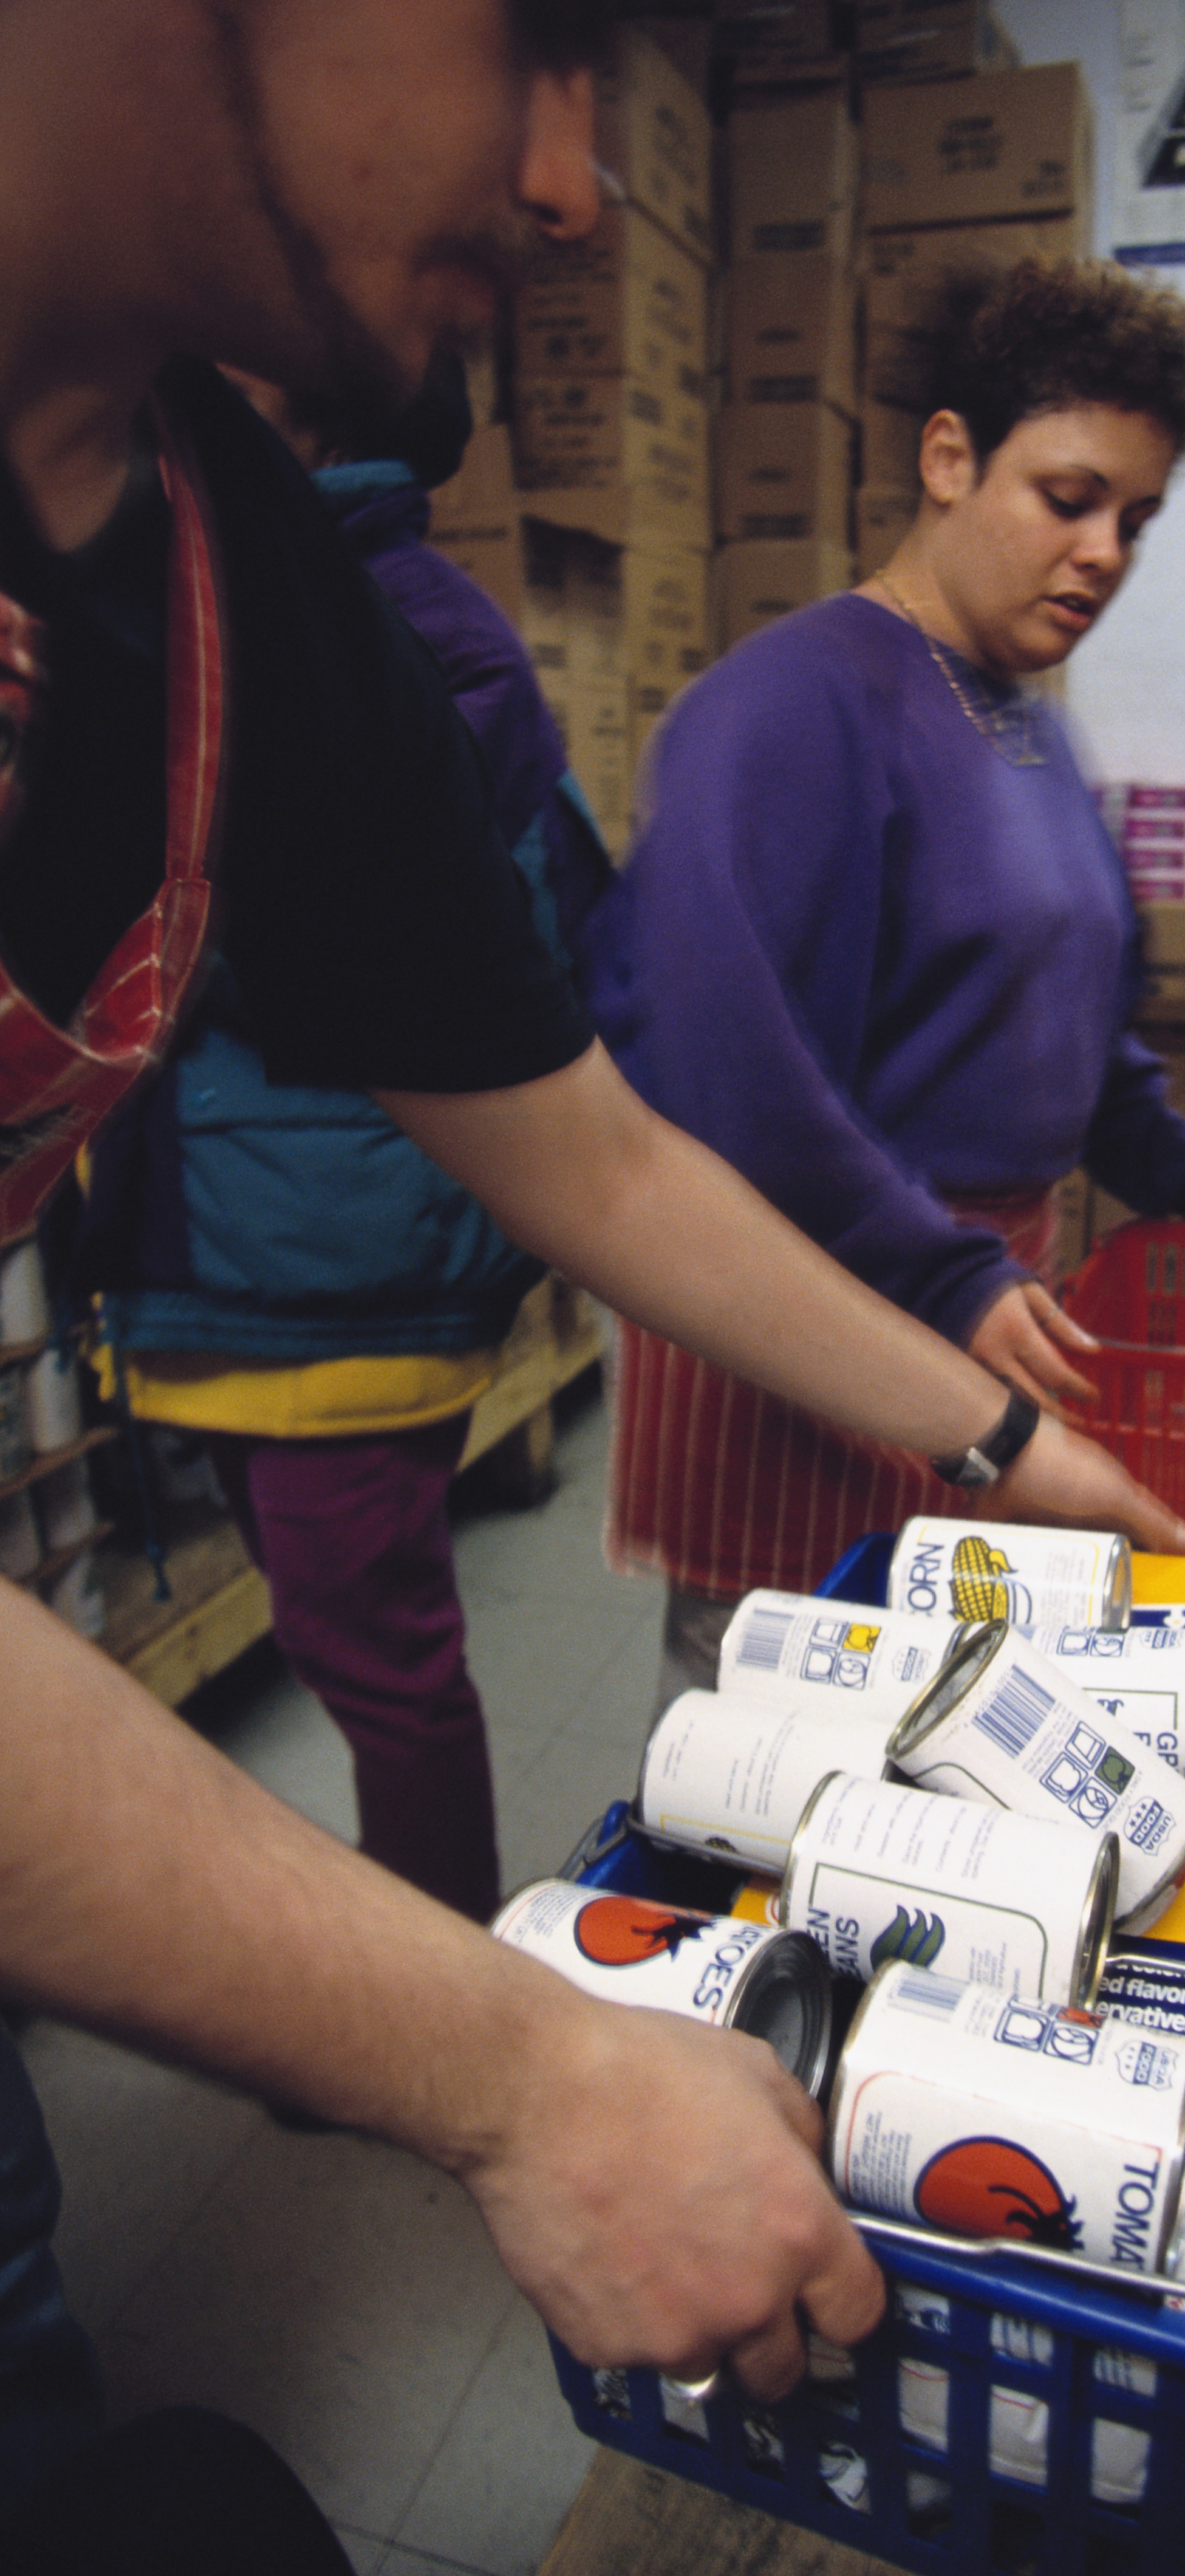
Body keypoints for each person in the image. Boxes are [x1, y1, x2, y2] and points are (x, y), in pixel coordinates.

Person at [0, 0, 1185, 2490]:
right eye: (534, 42)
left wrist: (1003, 1427)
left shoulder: (227, 564)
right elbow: (714, 1066)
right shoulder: (787, 704)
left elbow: (601, 1158)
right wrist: (515, 2064)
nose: (577, 185)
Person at [582, 259, 1185, 1701]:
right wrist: (940, 1268)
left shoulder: (1028, 728)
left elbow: (1078, 1017)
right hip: (804, 1298)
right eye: (1065, 498)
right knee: (779, 1731)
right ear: (947, 457)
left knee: (941, 1711)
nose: (1104, 553)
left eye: (1135, 518)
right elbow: (714, 1059)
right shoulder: (789, 704)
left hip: (975, 1295)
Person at [65, 357, 605, 1928]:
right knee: (355, 1641)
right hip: (258, 1219)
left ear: (293, 397)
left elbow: (400, 958)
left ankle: (444, 1986)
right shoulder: (265, 592)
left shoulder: (368, 622)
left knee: (378, 1660)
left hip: (329, 1254)